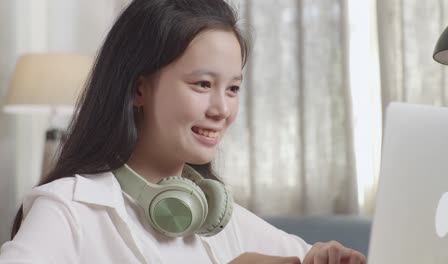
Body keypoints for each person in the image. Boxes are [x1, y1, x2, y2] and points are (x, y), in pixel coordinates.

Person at [0, 0, 366, 263]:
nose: (222, 109)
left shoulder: (222, 218)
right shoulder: (68, 209)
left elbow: (306, 256)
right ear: (138, 89)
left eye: (233, 88)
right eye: (203, 84)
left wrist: (324, 256)